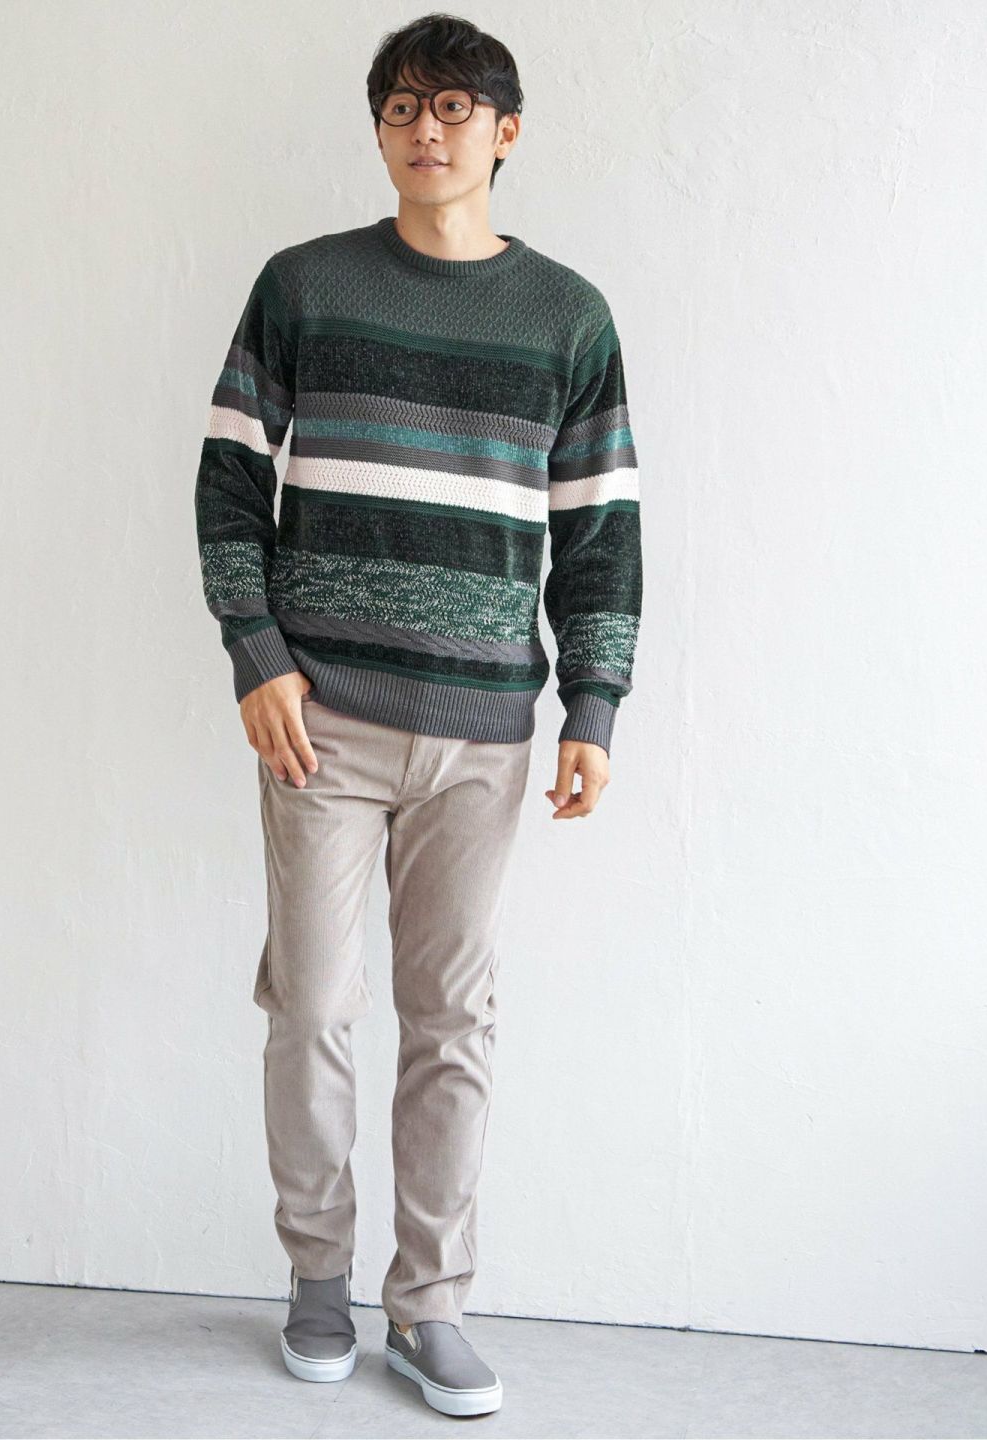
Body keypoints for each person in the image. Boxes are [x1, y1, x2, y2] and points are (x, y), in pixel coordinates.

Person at [193, 11, 642, 1418]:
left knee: (451, 1019)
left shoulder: (568, 317)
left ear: (506, 132)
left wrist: (594, 704)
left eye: (454, 106)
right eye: (401, 106)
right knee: (312, 1008)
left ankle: (430, 1304)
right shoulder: (304, 287)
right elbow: (227, 480)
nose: (425, 128)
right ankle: (319, 1277)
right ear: (380, 129)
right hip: (318, 725)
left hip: (484, 734)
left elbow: (602, 530)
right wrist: (258, 656)